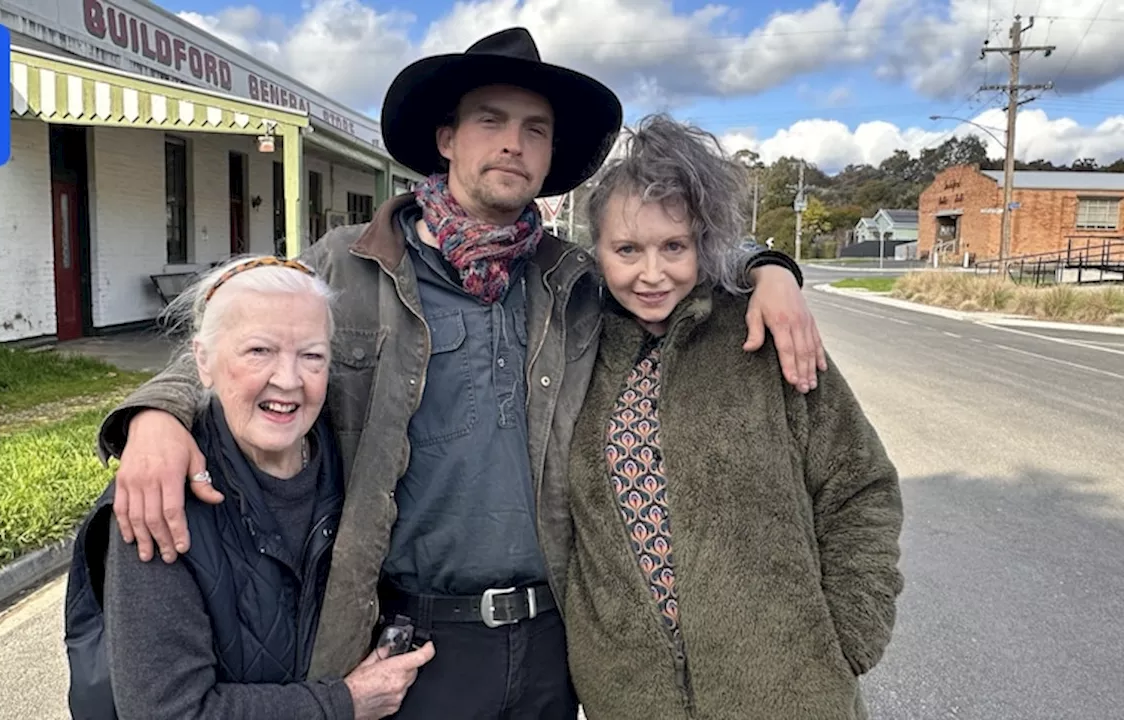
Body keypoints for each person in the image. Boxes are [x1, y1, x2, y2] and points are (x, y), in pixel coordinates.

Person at [93, 28, 830, 718]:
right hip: (414, 637)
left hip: (555, 638)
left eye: (534, 129)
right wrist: (156, 416)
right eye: (490, 120)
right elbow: (234, 341)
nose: (513, 143)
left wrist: (772, 271)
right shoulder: (347, 265)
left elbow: (676, 270)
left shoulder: (576, 284)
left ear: (549, 157)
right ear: (446, 138)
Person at [562, 114, 904, 719]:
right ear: (598, 251)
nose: (651, 273)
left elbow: (860, 485)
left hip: (792, 692)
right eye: (626, 250)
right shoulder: (572, 350)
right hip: (632, 699)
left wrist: (846, 636)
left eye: (674, 246)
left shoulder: (764, 334)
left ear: (702, 242)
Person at [64, 256, 434, 720]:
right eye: (259, 351)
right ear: (203, 361)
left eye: (312, 356)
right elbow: (170, 711)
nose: (288, 379)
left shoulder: (350, 468)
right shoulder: (158, 502)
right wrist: (346, 702)